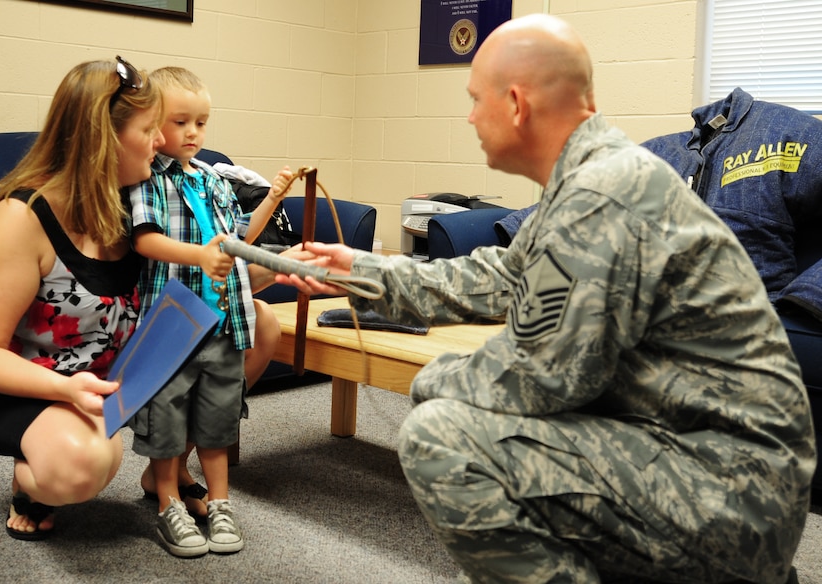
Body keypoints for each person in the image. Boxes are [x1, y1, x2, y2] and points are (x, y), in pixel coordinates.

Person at [277, 14, 815, 584]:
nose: (469, 116)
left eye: (474, 99)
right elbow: (499, 278)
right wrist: (363, 272)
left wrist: (432, 382)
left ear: (515, 103)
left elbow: (543, 378)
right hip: (691, 452)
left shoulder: (604, 193)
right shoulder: (590, 178)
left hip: (734, 492)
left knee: (444, 438)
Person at [0, 56, 164, 541]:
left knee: (255, 325)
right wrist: (67, 391)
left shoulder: (140, 202)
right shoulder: (20, 218)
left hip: (111, 382)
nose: (162, 142)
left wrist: (289, 265)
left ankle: (163, 471)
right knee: (84, 462)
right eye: (150, 128)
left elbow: (208, 275)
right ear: (104, 138)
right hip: (24, 386)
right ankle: (32, 480)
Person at [126, 66, 294, 557]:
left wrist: (275, 197)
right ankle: (168, 504)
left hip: (225, 324)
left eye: (201, 122)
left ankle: (219, 501)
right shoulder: (147, 179)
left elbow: (239, 239)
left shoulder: (211, 180)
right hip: (173, 327)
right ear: (153, 125)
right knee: (167, 418)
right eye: (181, 122)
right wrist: (199, 254)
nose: (194, 133)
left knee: (218, 421)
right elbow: (145, 240)